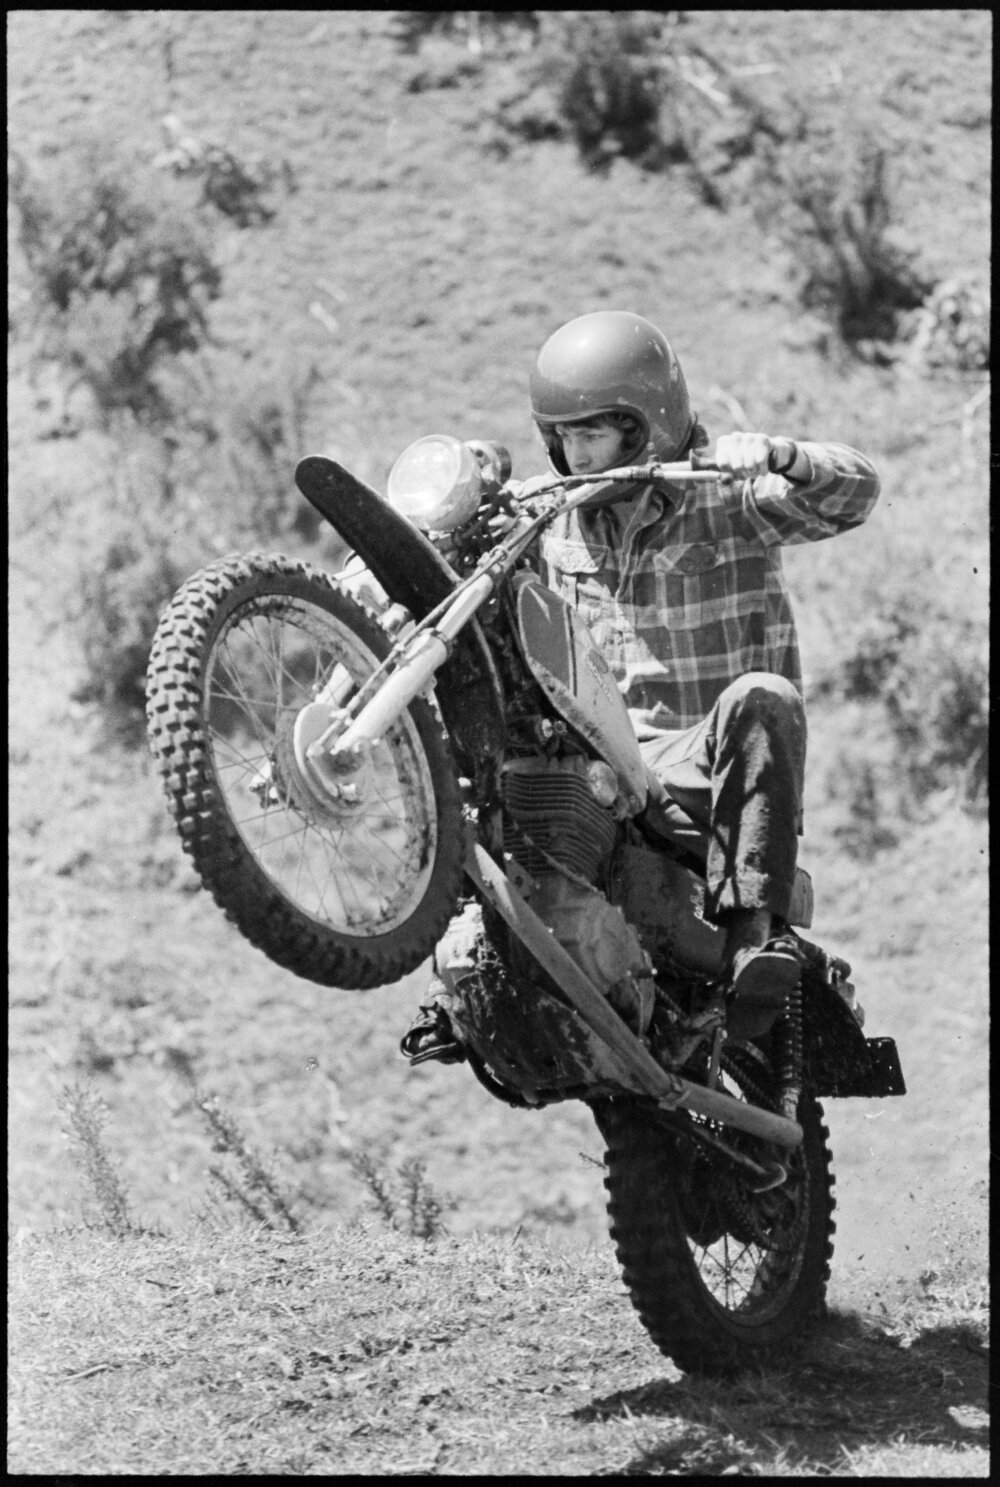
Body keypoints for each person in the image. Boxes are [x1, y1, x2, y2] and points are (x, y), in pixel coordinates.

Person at [404, 309, 880, 1055]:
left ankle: (752, 941)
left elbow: (856, 492)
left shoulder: (728, 494)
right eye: (563, 437)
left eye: (592, 434)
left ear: (645, 425)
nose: (575, 453)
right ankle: (468, 957)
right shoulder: (549, 517)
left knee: (764, 697)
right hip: (600, 766)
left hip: (699, 772)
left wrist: (778, 455)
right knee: (484, 686)